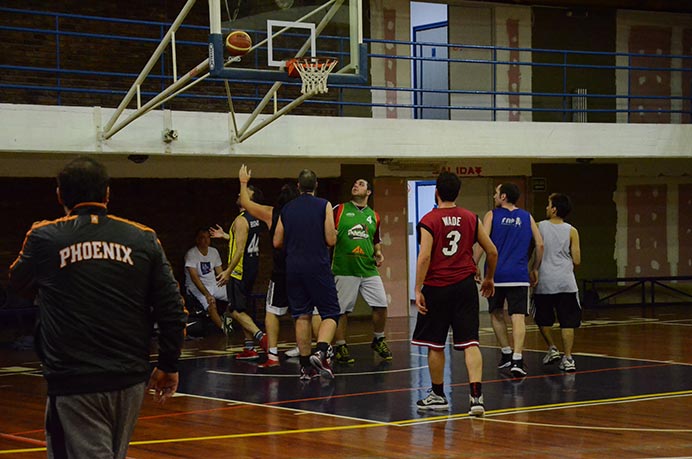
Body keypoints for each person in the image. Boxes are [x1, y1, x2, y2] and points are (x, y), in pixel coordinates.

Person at [8, 156, 187, 459]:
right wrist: (169, 364)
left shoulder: (45, 236)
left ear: (59, 195)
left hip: (75, 379)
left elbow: (18, 282)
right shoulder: (143, 238)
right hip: (129, 379)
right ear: (106, 194)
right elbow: (172, 308)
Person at [412, 171, 497, 416]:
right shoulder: (471, 217)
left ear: (437, 192)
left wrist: (418, 288)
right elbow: (491, 251)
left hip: (437, 288)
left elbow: (425, 256)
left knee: (435, 344)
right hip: (464, 287)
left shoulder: (429, 219)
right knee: (470, 342)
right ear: (457, 193)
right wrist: (489, 277)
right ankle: (476, 397)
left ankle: (438, 395)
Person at [273, 169, 341, 381]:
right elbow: (331, 240)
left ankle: (305, 368)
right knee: (331, 312)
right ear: (316, 185)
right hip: (317, 265)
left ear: (298, 186)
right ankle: (320, 352)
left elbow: (276, 242)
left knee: (301, 315)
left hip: (293, 267)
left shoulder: (287, 208)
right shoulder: (324, 205)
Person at [236, 164, 300, 368]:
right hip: (302, 270)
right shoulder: (306, 215)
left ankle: (272, 355)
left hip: (281, 271)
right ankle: (308, 349)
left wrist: (243, 182)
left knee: (272, 311)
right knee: (305, 312)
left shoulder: (273, 213)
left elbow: (246, 202)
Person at [482, 183, 544, 378]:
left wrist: (473, 264)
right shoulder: (527, 217)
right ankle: (517, 358)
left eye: (496, 192)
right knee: (518, 317)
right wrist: (534, 268)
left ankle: (506, 352)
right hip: (518, 275)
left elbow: (481, 242)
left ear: (503, 196)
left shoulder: (491, 215)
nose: (494, 196)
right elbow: (540, 244)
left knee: (496, 313)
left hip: (495, 275)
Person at [331, 178, 392, 364]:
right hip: (344, 268)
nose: (355, 185)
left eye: (361, 184)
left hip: (368, 268)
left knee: (381, 305)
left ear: (368, 192)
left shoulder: (374, 215)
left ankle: (378, 339)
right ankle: (340, 345)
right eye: (355, 183)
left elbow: (376, 239)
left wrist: (379, 253)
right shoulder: (339, 209)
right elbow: (327, 232)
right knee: (342, 310)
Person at [211, 185, 268, 360]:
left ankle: (261, 338)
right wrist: (227, 236)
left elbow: (240, 249)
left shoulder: (241, 220)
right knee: (242, 308)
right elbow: (244, 240)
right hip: (252, 267)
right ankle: (249, 347)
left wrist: (228, 271)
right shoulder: (255, 218)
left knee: (235, 310)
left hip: (239, 270)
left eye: (244, 193)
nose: (239, 194)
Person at [533, 193, 581, 372]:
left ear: (554, 209)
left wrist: (533, 268)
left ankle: (552, 347)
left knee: (542, 319)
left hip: (545, 281)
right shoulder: (572, 230)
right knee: (568, 322)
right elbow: (576, 260)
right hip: (566, 282)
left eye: (548, 204)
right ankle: (568, 358)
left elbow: (534, 249)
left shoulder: (538, 227)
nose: (546, 207)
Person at [184, 227, 227, 332]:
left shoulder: (214, 252)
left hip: (213, 284)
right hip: (197, 287)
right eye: (202, 238)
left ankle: (227, 319)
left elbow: (220, 272)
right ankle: (225, 329)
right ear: (197, 240)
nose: (206, 240)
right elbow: (195, 278)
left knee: (234, 295)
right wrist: (207, 294)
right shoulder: (191, 254)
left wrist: (227, 283)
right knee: (211, 304)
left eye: (208, 237)